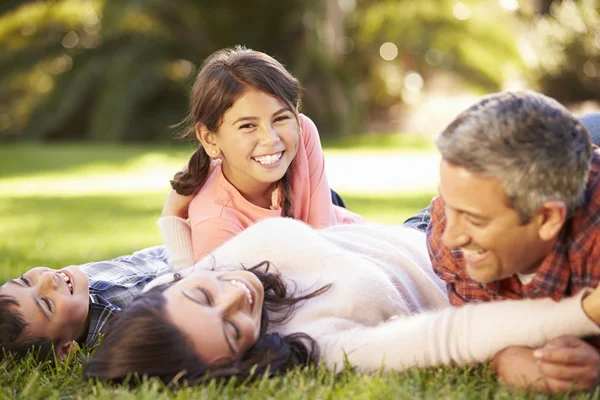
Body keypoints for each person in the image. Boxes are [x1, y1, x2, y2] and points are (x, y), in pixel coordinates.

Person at [84, 216, 600, 389]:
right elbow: (450, 335)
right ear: (236, 363)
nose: (234, 296)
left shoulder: (184, 282)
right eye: (232, 328)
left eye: (202, 294)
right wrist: (581, 313)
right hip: (483, 257)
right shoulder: (317, 344)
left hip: (431, 219)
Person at [426, 91, 600, 392]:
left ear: (547, 219)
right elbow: (476, 325)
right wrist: (502, 357)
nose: (450, 236)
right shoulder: (449, 234)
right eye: (448, 203)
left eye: (474, 219)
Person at [168, 46, 363, 261]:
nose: (270, 138)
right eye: (248, 125)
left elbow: (325, 237)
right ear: (209, 138)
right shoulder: (215, 220)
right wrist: (172, 213)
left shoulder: (302, 129)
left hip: (348, 236)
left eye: (280, 118)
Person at [0, 246, 171, 361]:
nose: (46, 278)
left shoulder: (77, 283)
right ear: (66, 351)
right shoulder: (124, 331)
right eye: (47, 304)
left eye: (25, 281)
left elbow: (137, 259)